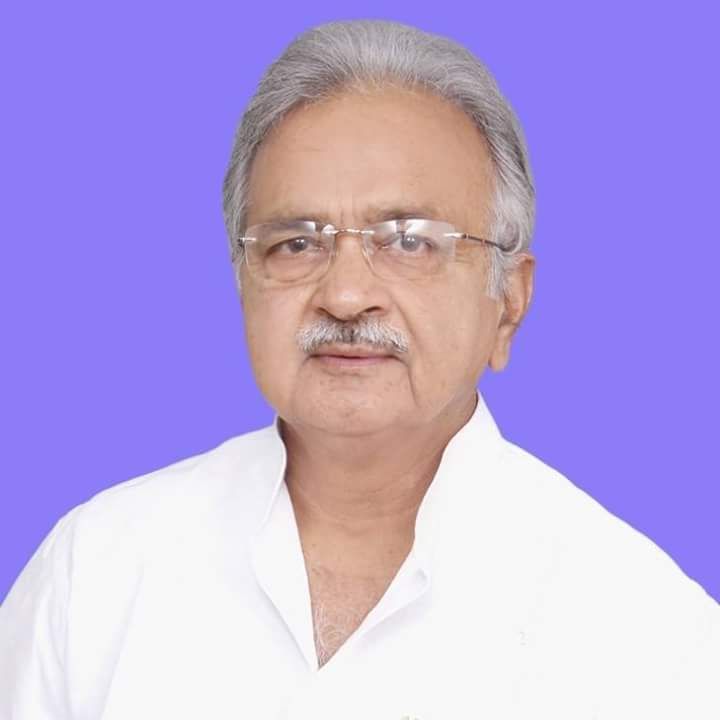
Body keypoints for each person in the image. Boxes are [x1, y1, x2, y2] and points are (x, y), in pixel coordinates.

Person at [1, 18, 718, 720]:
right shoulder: (94, 572)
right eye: (295, 243)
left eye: (408, 241)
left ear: (509, 302)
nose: (345, 295)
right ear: (244, 281)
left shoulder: (648, 635)